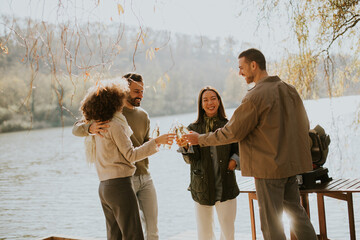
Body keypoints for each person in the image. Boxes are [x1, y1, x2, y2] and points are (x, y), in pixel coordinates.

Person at [184, 48, 317, 240]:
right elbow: (304, 125)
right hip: (290, 167)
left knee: (271, 225)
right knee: (297, 215)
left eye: (241, 67)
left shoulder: (255, 96)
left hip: (268, 170)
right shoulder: (290, 90)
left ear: (253, 65)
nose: (240, 72)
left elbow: (232, 132)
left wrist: (200, 139)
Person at [79, 79, 174, 240]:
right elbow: (131, 155)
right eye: (121, 96)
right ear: (114, 100)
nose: (124, 99)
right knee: (133, 235)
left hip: (104, 187)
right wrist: (157, 142)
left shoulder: (100, 124)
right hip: (120, 186)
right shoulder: (116, 125)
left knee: (114, 236)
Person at [176, 86, 240, 240]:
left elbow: (240, 148)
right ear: (201, 104)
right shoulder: (192, 128)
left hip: (226, 183)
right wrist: (185, 147)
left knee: (228, 232)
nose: (210, 102)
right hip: (201, 186)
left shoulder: (229, 124)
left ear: (219, 101)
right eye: (205, 100)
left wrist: (234, 160)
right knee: (204, 234)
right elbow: (190, 160)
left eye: (213, 98)